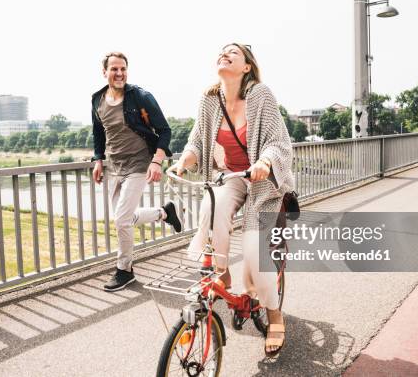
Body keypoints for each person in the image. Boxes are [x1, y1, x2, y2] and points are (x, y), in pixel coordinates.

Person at [168, 43, 294, 357]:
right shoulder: (209, 100)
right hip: (230, 177)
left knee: (255, 256)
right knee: (212, 205)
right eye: (222, 51)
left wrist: (265, 162)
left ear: (247, 66)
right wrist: (184, 162)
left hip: (261, 183)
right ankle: (220, 272)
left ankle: (274, 315)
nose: (224, 54)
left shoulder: (260, 95)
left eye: (233, 52)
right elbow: (197, 140)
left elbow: (278, 141)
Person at [91, 51, 182, 292]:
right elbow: (99, 134)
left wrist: (156, 161)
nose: (119, 73)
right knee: (124, 218)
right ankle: (164, 213)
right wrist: (98, 160)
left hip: (139, 163)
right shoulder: (97, 100)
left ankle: (125, 270)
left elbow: (164, 130)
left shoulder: (140, 97)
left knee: (121, 219)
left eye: (123, 69)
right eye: (114, 69)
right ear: (105, 72)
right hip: (114, 166)